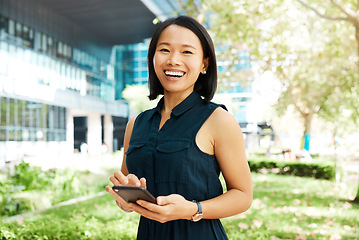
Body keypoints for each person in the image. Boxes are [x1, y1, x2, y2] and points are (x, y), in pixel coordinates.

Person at [106, 15, 252, 240]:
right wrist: (126, 200)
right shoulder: (135, 124)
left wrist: (193, 209)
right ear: (153, 58)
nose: (173, 60)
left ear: (204, 63)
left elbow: (243, 195)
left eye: (187, 52)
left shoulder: (218, 120)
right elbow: (129, 197)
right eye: (164, 50)